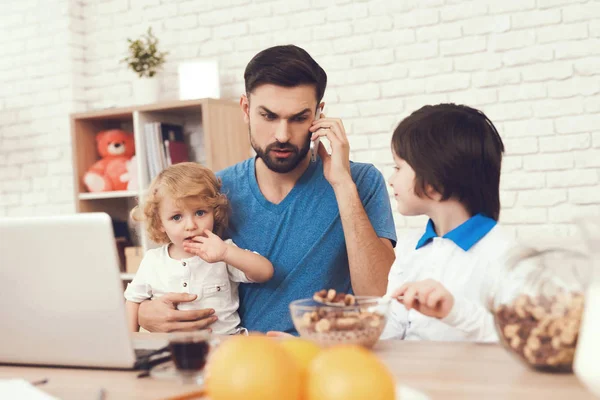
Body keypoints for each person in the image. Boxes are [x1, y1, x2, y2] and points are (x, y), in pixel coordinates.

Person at [138, 45, 397, 334]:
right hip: (242, 361)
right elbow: (175, 268)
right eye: (269, 116)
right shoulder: (214, 191)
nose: (282, 135)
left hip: (327, 360)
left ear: (319, 116)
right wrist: (146, 312)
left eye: (299, 118)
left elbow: (377, 294)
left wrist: (342, 186)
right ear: (246, 110)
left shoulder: (359, 181)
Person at [381, 103, 515, 342]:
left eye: (398, 167)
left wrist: (453, 311)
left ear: (433, 179)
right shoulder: (409, 249)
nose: (391, 180)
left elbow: (519, 337)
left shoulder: (505, 254)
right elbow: (393, 326)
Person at [124, 162, 273, 334]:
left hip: (225, 346)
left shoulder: (223, 251)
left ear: (214, 213)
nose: (191, 225)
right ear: (160, 223)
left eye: (200, 213)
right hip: (175, 350)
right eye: (177, 217)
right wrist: (131, 343)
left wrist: (226, 253)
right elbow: (132, 300)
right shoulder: (153, 261)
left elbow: (265, 272)